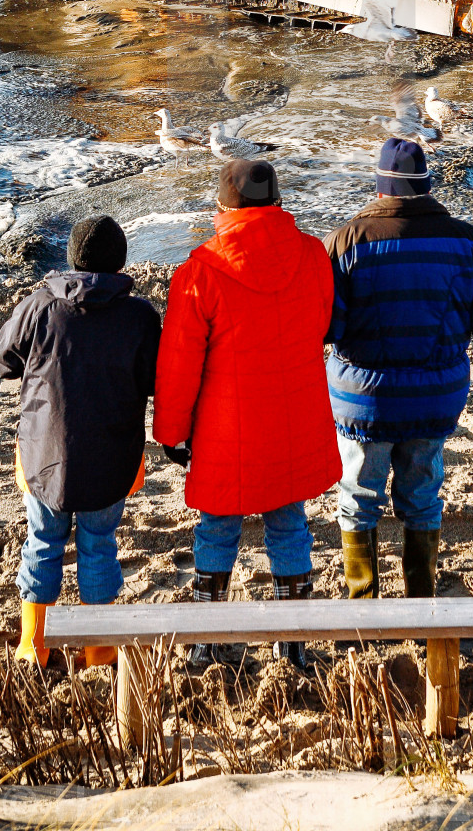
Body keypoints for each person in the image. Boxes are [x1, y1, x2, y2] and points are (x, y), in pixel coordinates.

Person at [153, 159, 340, 668]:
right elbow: (321, 323)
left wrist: (171, 433)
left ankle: (206, 642)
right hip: (294, 422)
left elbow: (178, 365)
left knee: (216, 528)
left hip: (226, 431)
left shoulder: (200, 270)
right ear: (277, 203)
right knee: (289, 524)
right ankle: (292, 644)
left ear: (222, 207)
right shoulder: (311, 255)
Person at [325, 137, 473, 603]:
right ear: (427, 184)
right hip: (436, 396)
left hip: (363, 401)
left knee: (358, 497)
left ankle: (363, 602)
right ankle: (421, 600)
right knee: (422, 496)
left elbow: (325, 324)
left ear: (380, 188)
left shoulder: (346, 241)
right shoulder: (466, 240)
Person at [0, 216, 161, 668]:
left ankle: (34, 646)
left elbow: (1, 359)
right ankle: (99, 651)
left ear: (70, 260)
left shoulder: (40, 306)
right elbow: (156, 379)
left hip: (43, 455)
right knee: (99, 544)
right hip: (112, 458)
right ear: (121, 262)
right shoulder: (139, 316)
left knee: (42, 543)